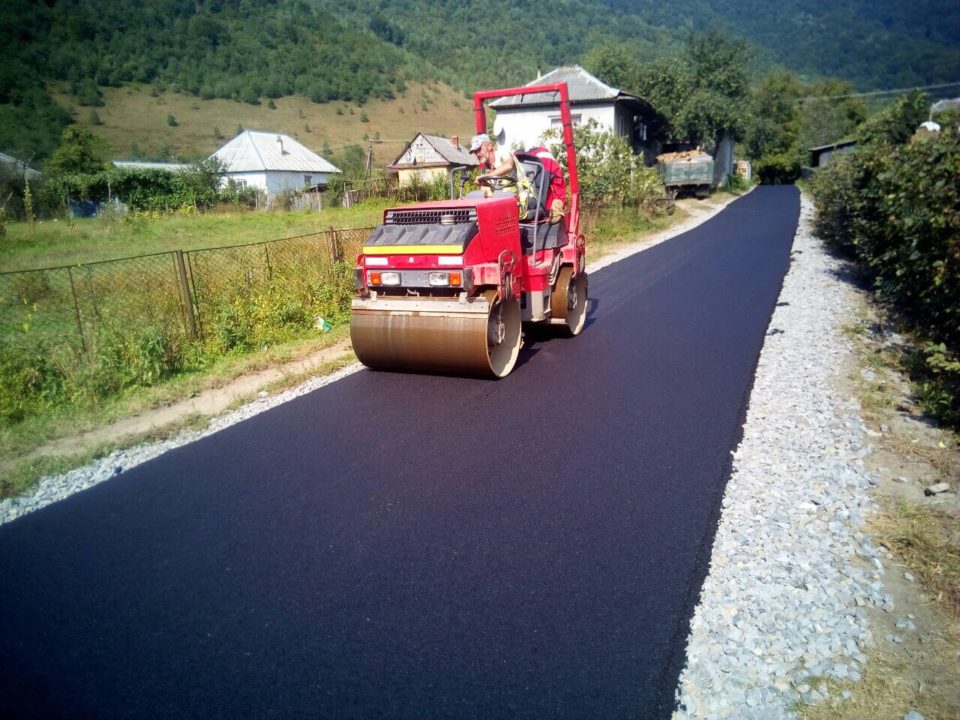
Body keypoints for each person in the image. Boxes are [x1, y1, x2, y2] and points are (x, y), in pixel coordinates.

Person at [468, 134, 566, 223]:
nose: (477, 154)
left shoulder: (503, 155)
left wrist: (486, 177)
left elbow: (508, 166)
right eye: (474, 151)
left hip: (524, 201)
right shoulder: (485, 169)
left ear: (489, 146)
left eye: (479, 149)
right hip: (504, 204)